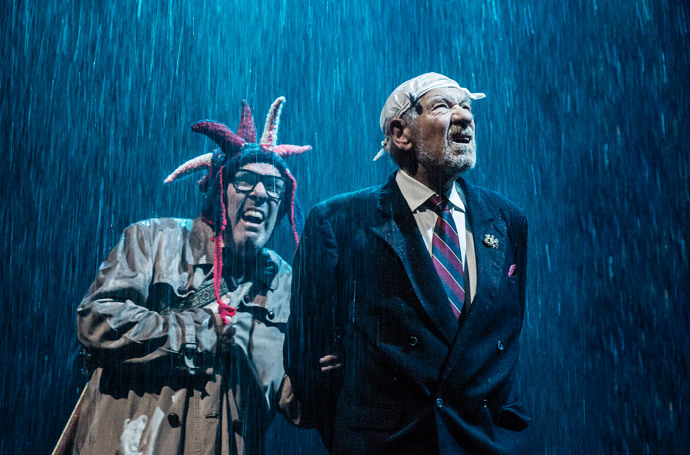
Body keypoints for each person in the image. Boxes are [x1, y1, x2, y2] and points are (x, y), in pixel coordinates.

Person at [284, 73, 530, 454]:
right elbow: (305, 356)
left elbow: (506, 334)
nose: (464, 117)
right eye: (443, 107)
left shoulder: (508, 220)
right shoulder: (339, 221)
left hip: (483, 442)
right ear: (401, 133)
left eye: (466, 106)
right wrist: (355, 435)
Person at [60, 97, 311, 455]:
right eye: (246, 181)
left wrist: (327, 368)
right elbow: (95, 321)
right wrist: (199, 332)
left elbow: (294, 401)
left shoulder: (283, 283)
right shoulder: (154, 240)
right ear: (220, 192)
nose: (260, 194)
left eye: (274, 188)